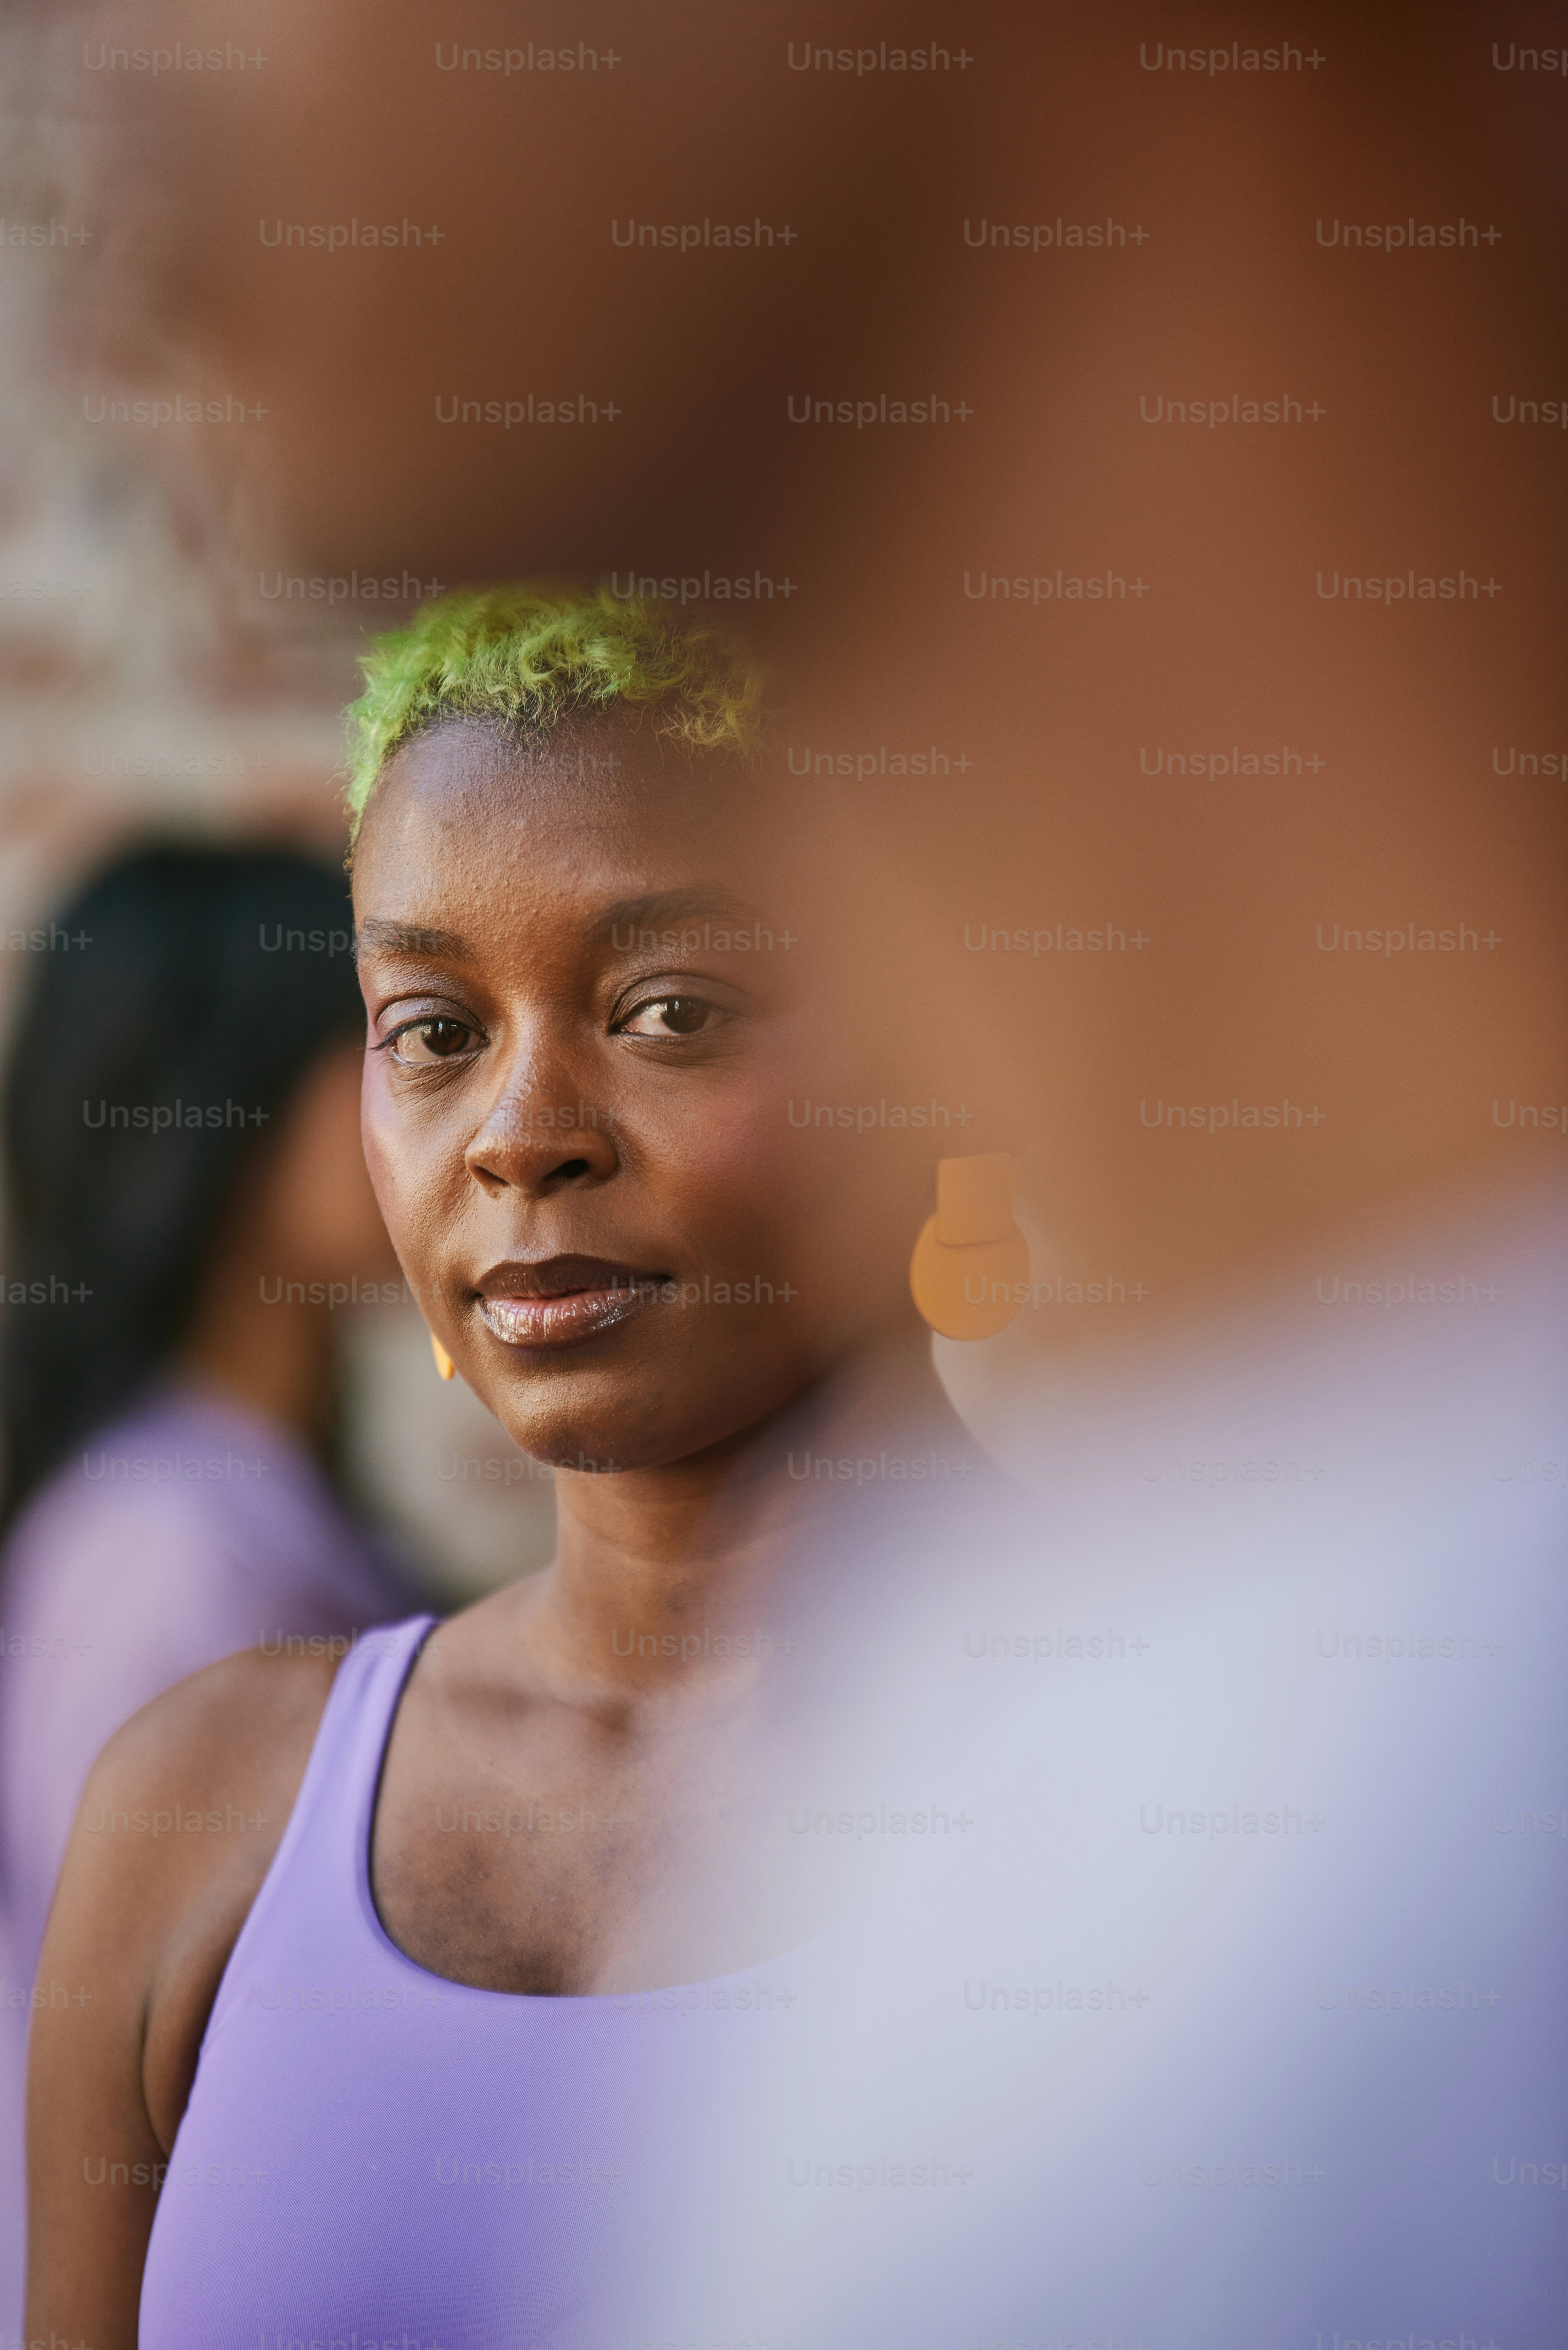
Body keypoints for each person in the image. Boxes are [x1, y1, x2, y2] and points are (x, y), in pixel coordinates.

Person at [24, 592, 1563, 2348]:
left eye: (671, 1008)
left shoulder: (1245, 1796)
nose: (523, 1131)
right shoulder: (203, 1808)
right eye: (434, 1029)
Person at [0, 846, 418, 2335]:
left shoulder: (249, 1510)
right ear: (232, 1113)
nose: (459, 1114)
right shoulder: (175, 1557)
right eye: (398, 1041)